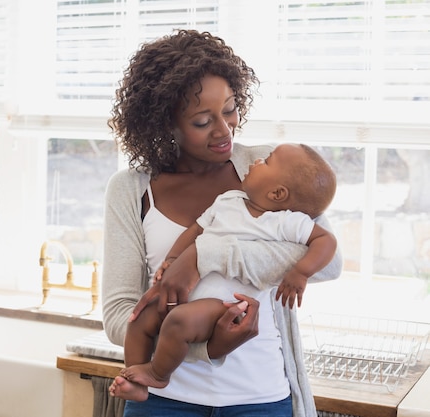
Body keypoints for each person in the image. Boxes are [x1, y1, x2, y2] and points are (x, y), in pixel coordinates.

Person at [101, 29, 342, 417]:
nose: (224, 130)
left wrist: (201, 256)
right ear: (166, 124)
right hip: (164, 403)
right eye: (202, 120)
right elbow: (119, 318)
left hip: (261, 398)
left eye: (229, 109)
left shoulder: (269, 169)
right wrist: (206, 347)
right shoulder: (132, 191)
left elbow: (329, 262)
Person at [110, 142, 338, 402]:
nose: (256, 161)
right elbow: (196, 231)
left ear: (277, 193)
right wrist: (173, 259)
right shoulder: (229, 201)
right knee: (139, 319)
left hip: (226, 307)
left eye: (266, 162)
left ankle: (158, 375)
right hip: (185, 308)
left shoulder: (286, 223)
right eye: (201, 120)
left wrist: (301, 272)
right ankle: (136, 383)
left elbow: (327, 243)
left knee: (179, 321)